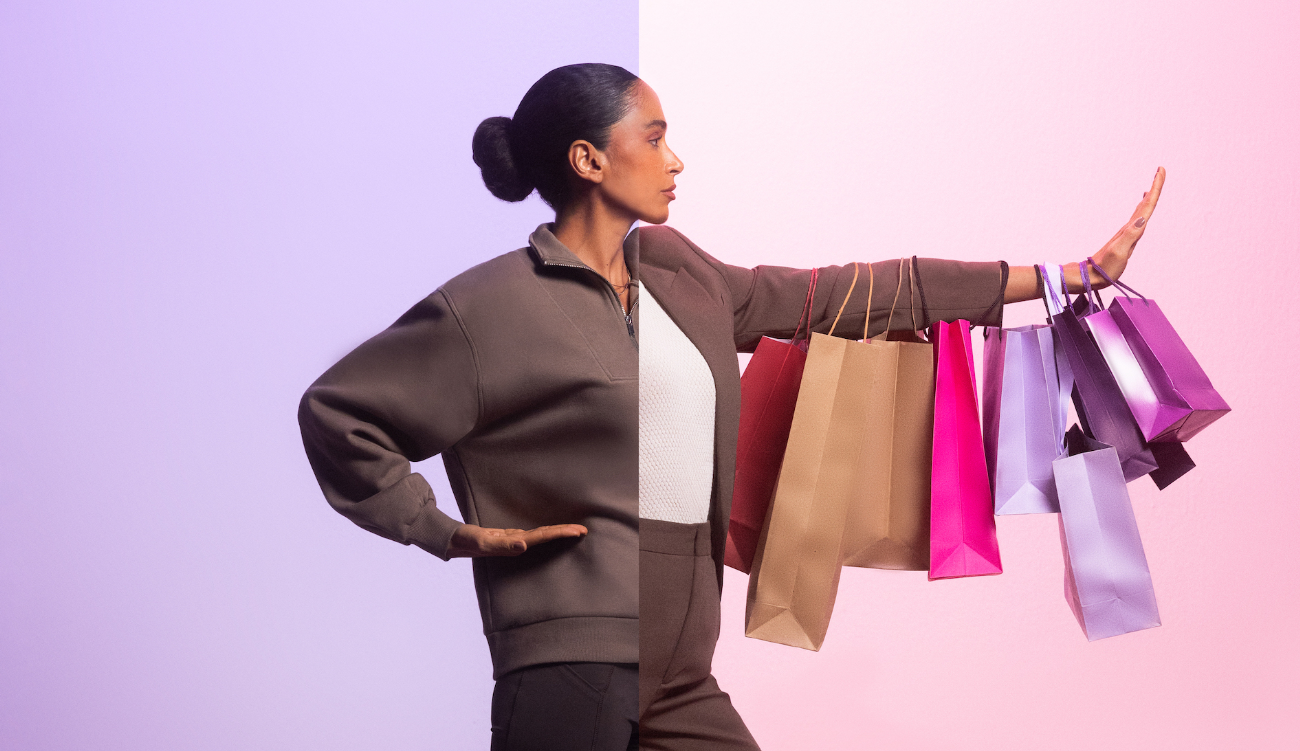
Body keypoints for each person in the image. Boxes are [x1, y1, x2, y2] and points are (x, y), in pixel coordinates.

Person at [298, 62, 1165, 751]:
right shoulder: (488, 308)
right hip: (568, 664)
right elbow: (340, 411)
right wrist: (444, 530)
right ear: (588, 160)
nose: (676, 160)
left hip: (682, 670)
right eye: (656, 136)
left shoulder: (682, 275)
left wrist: (1062, 278)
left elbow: (849, 293)